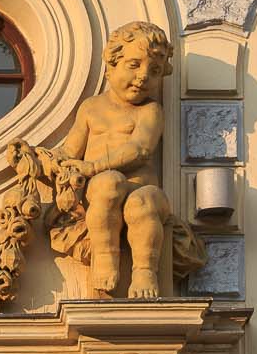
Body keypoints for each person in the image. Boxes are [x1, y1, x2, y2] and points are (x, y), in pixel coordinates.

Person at [47, 21, 173, 298]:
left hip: (143, 189)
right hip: (103, 189)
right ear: (111, 65)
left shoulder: (150, 110)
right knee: (108, 183)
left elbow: (141, 148)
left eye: (154, 71)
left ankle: (144, 272)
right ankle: (105, 256)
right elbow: (70, 150)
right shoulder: (91, 108)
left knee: (143, 202)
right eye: (134, 65)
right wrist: (47, 159)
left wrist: (92, 167)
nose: (143, 76)